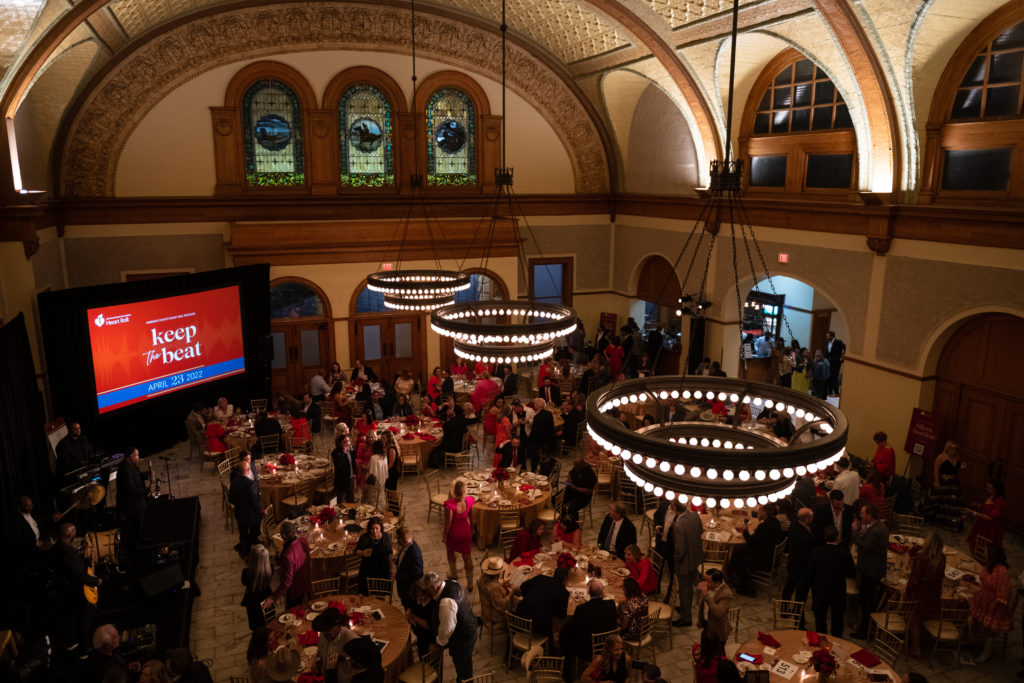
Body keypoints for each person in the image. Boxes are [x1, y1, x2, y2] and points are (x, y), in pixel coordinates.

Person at [418, 572, 478, 683]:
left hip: (463, 639)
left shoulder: (446, 603)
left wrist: (438, 644)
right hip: (468, 626)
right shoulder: (451, 583)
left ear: (434, 587)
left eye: (427, 591)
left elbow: (446, 629)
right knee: (464, 667)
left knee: (464, 672)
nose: (426, 594)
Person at [50, 522, 99, 655]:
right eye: (75, 532)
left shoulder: (54, 549)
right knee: (84, 621)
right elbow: (80, 576)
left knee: (69, 618)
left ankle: (71, 642)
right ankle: (84, 650)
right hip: (75, 593)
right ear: (70, 535)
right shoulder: (70, 555)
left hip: (62, 591)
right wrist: (96, 581)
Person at [561, 580, 620, 679]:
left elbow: (574, 630)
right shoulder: (611, 604)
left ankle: (567, 672)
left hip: (586, 651)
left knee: (564, 634)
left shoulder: (581, 609)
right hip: (606, 645)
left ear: (589, 593)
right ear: (602, 594)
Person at [806, 525, 855, 636]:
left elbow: (810, 571)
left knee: (820, 618)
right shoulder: (845, 553)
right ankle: (836, 640)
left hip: (820, 589)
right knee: (838, 618)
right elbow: (851, 572)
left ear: (825, 537)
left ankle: (821, 640)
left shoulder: (816, 551)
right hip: (838, 589)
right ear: (838, 537)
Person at [850, 503, 889, 639]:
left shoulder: (876, 531)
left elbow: (865, 546)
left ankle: (865, 631)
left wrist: (854, 532)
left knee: (867, 601)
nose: (861, 515)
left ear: (869, 515)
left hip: (871, 570)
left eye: (863, 513)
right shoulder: (875, 527)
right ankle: (863, 626)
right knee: (865, 599)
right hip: (870, 568)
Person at [905, 532, 946, 658]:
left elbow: (915, 580)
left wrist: (908, 591)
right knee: (922, 618)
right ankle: (922, 642)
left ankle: (916, 648)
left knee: (914, 620)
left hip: (920, 595)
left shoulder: (922, 559)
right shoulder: (941, 558)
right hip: (933, 594)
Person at [970, 543, 1012, 663]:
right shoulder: (989, 566)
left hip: (995, 605)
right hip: (984, 599)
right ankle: (973, 639)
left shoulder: (1002, 571)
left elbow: (1003, 594)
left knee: (990, 630)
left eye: (986, 552)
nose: (984, 554)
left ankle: (986, 653)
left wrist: (993, 605)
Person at [731, 503, 783, 597]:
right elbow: (762, 537)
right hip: (769, 553)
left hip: (763, 559)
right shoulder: (775, 521)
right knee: (739, 552)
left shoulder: (764, 526)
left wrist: (745, 530)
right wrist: (758, 531)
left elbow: (751, 541)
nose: (757, 512)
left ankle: (748, 588)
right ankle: (738, 580)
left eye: (759, 510)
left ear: (765, 512)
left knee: (735, 559)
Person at [672, 499, 704, 627]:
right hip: (695, 558)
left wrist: (675, 558)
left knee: (684, 589)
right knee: (690, 586)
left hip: (684, 562)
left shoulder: (678, 525)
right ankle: (686, 608)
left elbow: (680, 549)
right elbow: (700, 531)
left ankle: (686, 618)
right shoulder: (695, 516)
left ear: (674, 508)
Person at [264, 520, 311, 608]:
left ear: (283, 536)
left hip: (295, 591)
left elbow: (286, 583)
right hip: (305, 584)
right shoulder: (303, 541)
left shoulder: (288, 556)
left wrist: (273, 597)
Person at [515, 566, 570, 637]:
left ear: (554, 574)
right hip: (537, 628)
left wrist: (532, 596)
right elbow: (561, 615)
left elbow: (523, 587)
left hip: (519, 618)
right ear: (565, 579)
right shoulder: (564, 592)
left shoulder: (541, 578)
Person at [923, 440, 964, 530]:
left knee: (952, 503)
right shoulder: (941, 457)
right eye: (951, 448)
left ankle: (950, 523)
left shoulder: (957, 457)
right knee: (940, 501)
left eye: (955, 448)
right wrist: (936, 482)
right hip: (943, 482)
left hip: (953, 483)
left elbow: (957, 470)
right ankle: (935, 520)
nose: (953, 450)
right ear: (947, 448)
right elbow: (936, 470)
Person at [228, 453, 262, 557]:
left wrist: (239, 505)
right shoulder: (251, 485)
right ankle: (253, 547)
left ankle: (245, 551)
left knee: (242, 532)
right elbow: (255, 504)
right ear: (247, 471)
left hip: (239, 512)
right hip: (251, 514)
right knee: (254, 529)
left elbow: (230, 499)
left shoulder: (233, 482)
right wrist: (261, 511)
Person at [310, 607, 358, 681]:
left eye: (328, 629)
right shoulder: (324, 634)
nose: (325, 633)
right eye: (323, 630)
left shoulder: (351, 641)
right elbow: (320, 652)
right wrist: (318, 662)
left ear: (338, 625)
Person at [443, 480, 475, 587]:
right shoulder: (469, 501)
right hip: (466, 533)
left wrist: (444, 536)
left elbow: (449, 522)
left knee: (450, 553)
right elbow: (472, 518)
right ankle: (470, 584)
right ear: (465, 491)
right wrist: (472, 529)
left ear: (454, 491)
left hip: (454, 534)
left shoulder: (450, 504)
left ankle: (453, 575)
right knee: (467, 557)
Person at [781, 507, 814, 613]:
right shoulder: (805, 536)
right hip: (801, 567)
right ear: (807, 519)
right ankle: (797, 615)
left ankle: (784, 610)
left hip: (792, 563)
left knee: (789, 588)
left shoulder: (794, 526)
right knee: (800, 593)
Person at [115, 447, 147, 551]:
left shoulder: (131, 465)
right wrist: (147, 490)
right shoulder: (125, 469)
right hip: (131, 505)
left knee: (139, 524)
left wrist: (146, 475)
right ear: (130, 456)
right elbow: (130, 489)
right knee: (136, 525)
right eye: (136, 455)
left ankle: (139, 541)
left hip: (135, 502)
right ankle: (135, 547)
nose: (138, 457)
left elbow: (137, 476)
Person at [355, 517, 393, 595]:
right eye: (372, 529)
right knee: (365, 595)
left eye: (377, 528)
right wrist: (363, 553)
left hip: (382, 571)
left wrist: (392, 569)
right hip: (367, 570)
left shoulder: (386, 537)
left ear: (380, 528)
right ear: (369, 529)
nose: (374, 531)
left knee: (381, 595)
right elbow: (356, 551)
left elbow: (390, 553)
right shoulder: (364, 537)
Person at [967, 478, 1005, 553]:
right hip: (983, 523)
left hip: (990, 527)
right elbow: (989, 508)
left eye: (990, 488)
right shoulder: (992, 496)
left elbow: (991, 518)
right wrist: (979, 506)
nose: (987, 489)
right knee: (977, 543)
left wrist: (974, 513)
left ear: (997, 489)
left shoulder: (1000, 500)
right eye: (987, 487)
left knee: (985, 547)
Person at [696, 568, 733, 642]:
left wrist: (706, 595)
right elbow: (703, 605)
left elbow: (718, 612)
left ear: (717, 583)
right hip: (707, 624)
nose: (705, 583)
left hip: (717, 630)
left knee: (717, 652)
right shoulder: (710, 586)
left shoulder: (726, 594)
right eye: (705, 579)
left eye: (708, 581)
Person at [241, 544, 273, 630]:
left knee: (256, 628)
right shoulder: (270, 570)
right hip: (266, 601)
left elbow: (244, 583)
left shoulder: (246, 573)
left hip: (253, 604)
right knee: (269, 624)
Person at [394, 526, 423, 610]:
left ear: (401, 539)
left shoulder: (414, 553)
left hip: (410, 591)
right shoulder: (406, 546)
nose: (397, 540)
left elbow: (417, 574)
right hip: (405, 590)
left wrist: (397, 576)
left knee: (409, 612)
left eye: (397, 538)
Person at [617, 577, 649, 641]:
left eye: (623, 588)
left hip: (633, 635)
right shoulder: (644, 597)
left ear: (627, 590)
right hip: (644, 629)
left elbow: (624, 626)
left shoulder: (626, 605)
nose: (623, 590)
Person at [529, 398, 556, 472]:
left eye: (535, 404)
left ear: (538, 406)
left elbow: (535, 431)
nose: (534, 405)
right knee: (545, 461)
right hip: (547, 441)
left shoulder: (537, 417)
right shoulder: (549, 414)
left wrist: (530, 440)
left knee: (535, 461)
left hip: (538, 442)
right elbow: (552, 427)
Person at [331, 433, 356, 503]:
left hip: (350, 478)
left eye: (348, 441)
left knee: (350, 498)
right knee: (339, 500)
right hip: (341, 480)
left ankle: (351, 512)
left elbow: (353, 463)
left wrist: (354, 474)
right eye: (345, 442)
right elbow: (339, 465)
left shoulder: (351, 450)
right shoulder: (335, 452)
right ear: (340, 443)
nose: (347, 443)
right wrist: (344, 453)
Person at [365, 440, 388, 511]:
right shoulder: (384, 456)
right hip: (382, 481)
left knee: (372, 503)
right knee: (380, 500)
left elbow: (372, 472)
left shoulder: (373, 458)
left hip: (374, 483)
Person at [825, 330, 845, 395]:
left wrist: (842, 357)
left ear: (832, 336)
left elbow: (845, 347)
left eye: (828, 336)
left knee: (834, 377)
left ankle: (836, 392)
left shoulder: (838, 342)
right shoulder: (828, 343)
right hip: (829, 362)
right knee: (829, 376)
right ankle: (830, 392)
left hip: (836, 363)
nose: (826, 337)